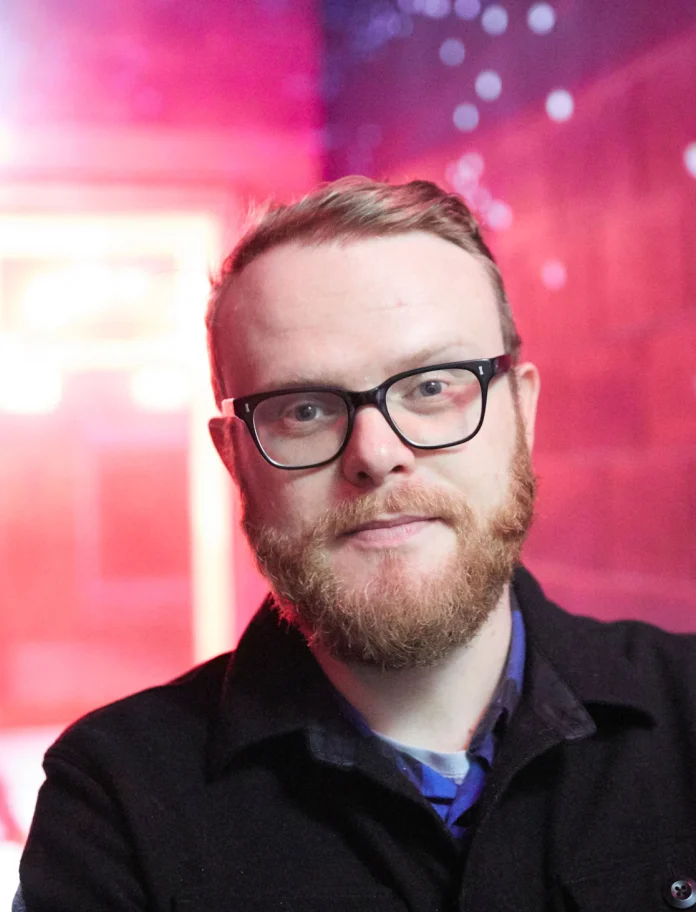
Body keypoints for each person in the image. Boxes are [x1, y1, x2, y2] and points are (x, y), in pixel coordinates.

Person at [15, 178, 696, 911]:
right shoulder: (114, 807)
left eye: (431, 388)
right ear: (234, 458)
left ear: (522, 413)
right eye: (304, 409)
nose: (375, 453)